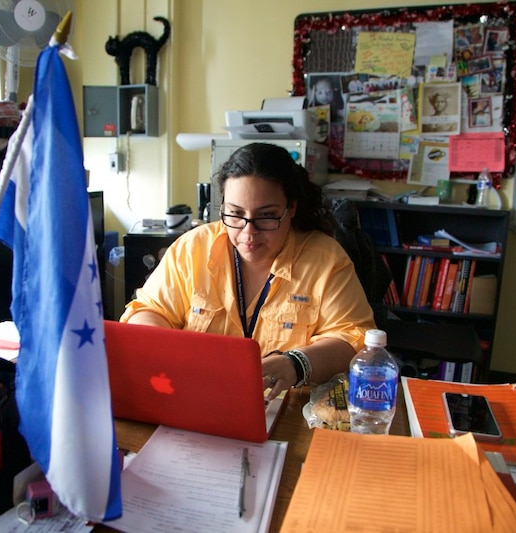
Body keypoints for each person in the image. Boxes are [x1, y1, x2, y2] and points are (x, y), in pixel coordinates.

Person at [121, 142, 376, 402]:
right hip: (195, 397)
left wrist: (297, 364)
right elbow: (148, 310)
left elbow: (353, 340)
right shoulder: (193, 248)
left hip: (285, 408)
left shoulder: (327, 260)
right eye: (235, 214)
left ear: (291, 208)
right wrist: (165, 348)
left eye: (266, 216)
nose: (248, 233)